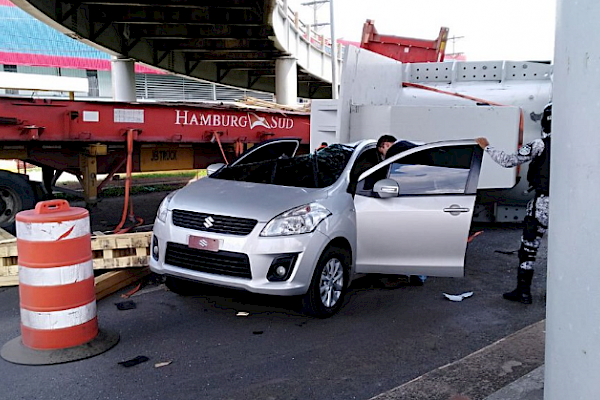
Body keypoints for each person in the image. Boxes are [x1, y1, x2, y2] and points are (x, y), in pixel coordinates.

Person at [475, 103, 552, 304]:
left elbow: (508, 161)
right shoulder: (580, 146)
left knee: (528, 248)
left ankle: (523, 292)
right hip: (571, 205)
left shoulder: (539, 145)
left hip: (543, 203)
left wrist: (487, 146)